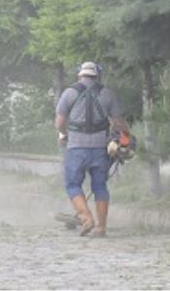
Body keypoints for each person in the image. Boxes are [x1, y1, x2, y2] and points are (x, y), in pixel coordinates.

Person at [55, 61, 126, 237]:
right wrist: (123, 141)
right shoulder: (108, 94)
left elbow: (60, 123)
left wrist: (64, 134)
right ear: (97, 75)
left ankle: (86, 218)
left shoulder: (68, 93)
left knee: (73, 184)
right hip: (100, 148)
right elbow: (118, 123)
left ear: (80, 74)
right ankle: (101, 228)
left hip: (76, 148)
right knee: (100, 186)